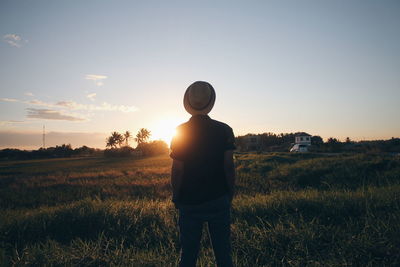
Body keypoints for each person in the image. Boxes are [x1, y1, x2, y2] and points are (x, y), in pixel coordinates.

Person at [170, 81, 236, 267]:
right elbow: (229, 167)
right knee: (223, 254)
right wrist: (229, 193)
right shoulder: (224, 130)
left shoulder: (180, 131)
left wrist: (176, 195)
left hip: (189, 202)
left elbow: (177, 170)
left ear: (188, 104)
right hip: (219, 199)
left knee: (188, 255)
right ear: (210, 103)